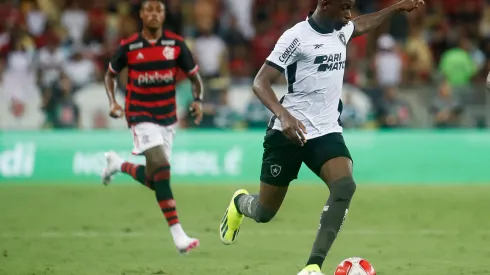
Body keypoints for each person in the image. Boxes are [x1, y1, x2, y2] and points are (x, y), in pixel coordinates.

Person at [219, 0, 424, 274]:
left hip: (326, 131)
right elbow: (260, 82)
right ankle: (239, 204)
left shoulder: (341, 29)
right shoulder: (296, 37)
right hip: (288, 134)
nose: (349, 14)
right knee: (264, 212)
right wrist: (283, 114)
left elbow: (362, 24)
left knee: (344, 186)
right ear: (325, 5)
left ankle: (313, 266)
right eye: (344, 7)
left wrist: (395, 8)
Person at [101, 0, 204, 254]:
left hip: (167, 118)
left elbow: (195, 78)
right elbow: (110, 74)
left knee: (156, 177)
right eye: (149, 10)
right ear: (141, 15)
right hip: (139, 114)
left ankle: (118, 164)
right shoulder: (129, 46)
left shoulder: (176, 45)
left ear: (164, 15)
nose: (154, 14)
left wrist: (198, 101)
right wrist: (114, 102)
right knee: (162, 166)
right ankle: (179, 235)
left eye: (158, 10)